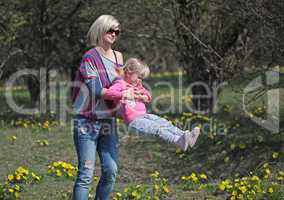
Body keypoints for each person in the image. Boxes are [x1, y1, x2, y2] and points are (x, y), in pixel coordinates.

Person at [72, 15, 123, 200]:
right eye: (111, 30)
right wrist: (121, 94)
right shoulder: (90, 57)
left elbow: (121, 84)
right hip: (87, 122)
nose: (114, 34)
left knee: (111, 170)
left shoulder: (118, 57)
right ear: (100, 30)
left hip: (108, 121)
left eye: (117, 31)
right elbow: (95, 89)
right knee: (86, 173)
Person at [102, 58, 201, 151]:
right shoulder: (120, 84)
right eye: (138, 77)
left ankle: (185, 136)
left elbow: (147, 94)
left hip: (144, 116)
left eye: (141, 78)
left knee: (164, 123)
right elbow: (109, 93)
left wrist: (144, 96)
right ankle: (178, 141)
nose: (140, 80)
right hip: (134, 121)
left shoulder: (137, 85)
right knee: (157, 129)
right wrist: (123, 94)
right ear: (128, 71)